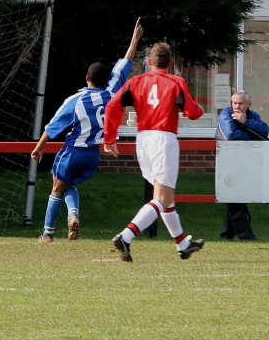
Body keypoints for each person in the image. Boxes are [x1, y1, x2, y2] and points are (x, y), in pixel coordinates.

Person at [31, 18, 143, 242]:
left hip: (73, 150)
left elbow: (55, 125)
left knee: (56, 188)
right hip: (93, 154)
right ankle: (73, 215)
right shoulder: (112, 92)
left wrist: (39, 147)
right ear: (105, 79)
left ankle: (47, 234)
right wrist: (135, 39)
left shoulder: (77, 99)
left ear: (86, 78)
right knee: (69, 185)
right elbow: (125, 64)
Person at [104, 42, 206, 261]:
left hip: (143, 139)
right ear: (170, 63)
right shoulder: (175, 81)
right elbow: (192, 112)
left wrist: (110, 137)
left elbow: (112, 106)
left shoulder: (136, 81)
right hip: (164, 138)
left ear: (149, 62)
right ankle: (126, 235)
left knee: (166, 197)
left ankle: (183, 245)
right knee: (161, 197)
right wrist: (198, 109)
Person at [215, 90, 267, 240]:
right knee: (235, 196)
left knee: (237, 195)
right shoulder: (225, 114)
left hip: (245, 161)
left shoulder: (252, 116)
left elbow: (265, 133)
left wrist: (245, 122)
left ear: (248, 104)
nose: (236, 106)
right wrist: (251, 136)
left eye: (240, 103)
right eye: (234, 103)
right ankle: (247, 236)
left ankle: (226, 235)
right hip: (227, 160)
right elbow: (231, 136)